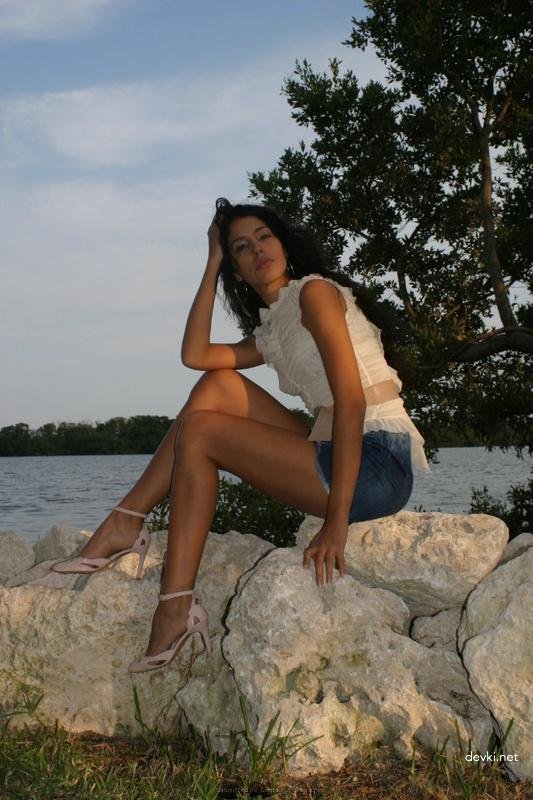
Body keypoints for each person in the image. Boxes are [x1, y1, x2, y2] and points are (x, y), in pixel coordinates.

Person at [52, 197, 430, 673]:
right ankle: (128, 521)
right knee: (217, 385)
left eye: (264, 237)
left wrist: (336, 523)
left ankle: (172, 602)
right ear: (237, 271)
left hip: (377, 464)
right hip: (335, 446)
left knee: (201, 431)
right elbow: (195, 356)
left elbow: (351, 401)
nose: (257, 250)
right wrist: (211, 261)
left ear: (284, 245)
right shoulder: (273, 328)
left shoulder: (314, 294)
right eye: (241, 248)